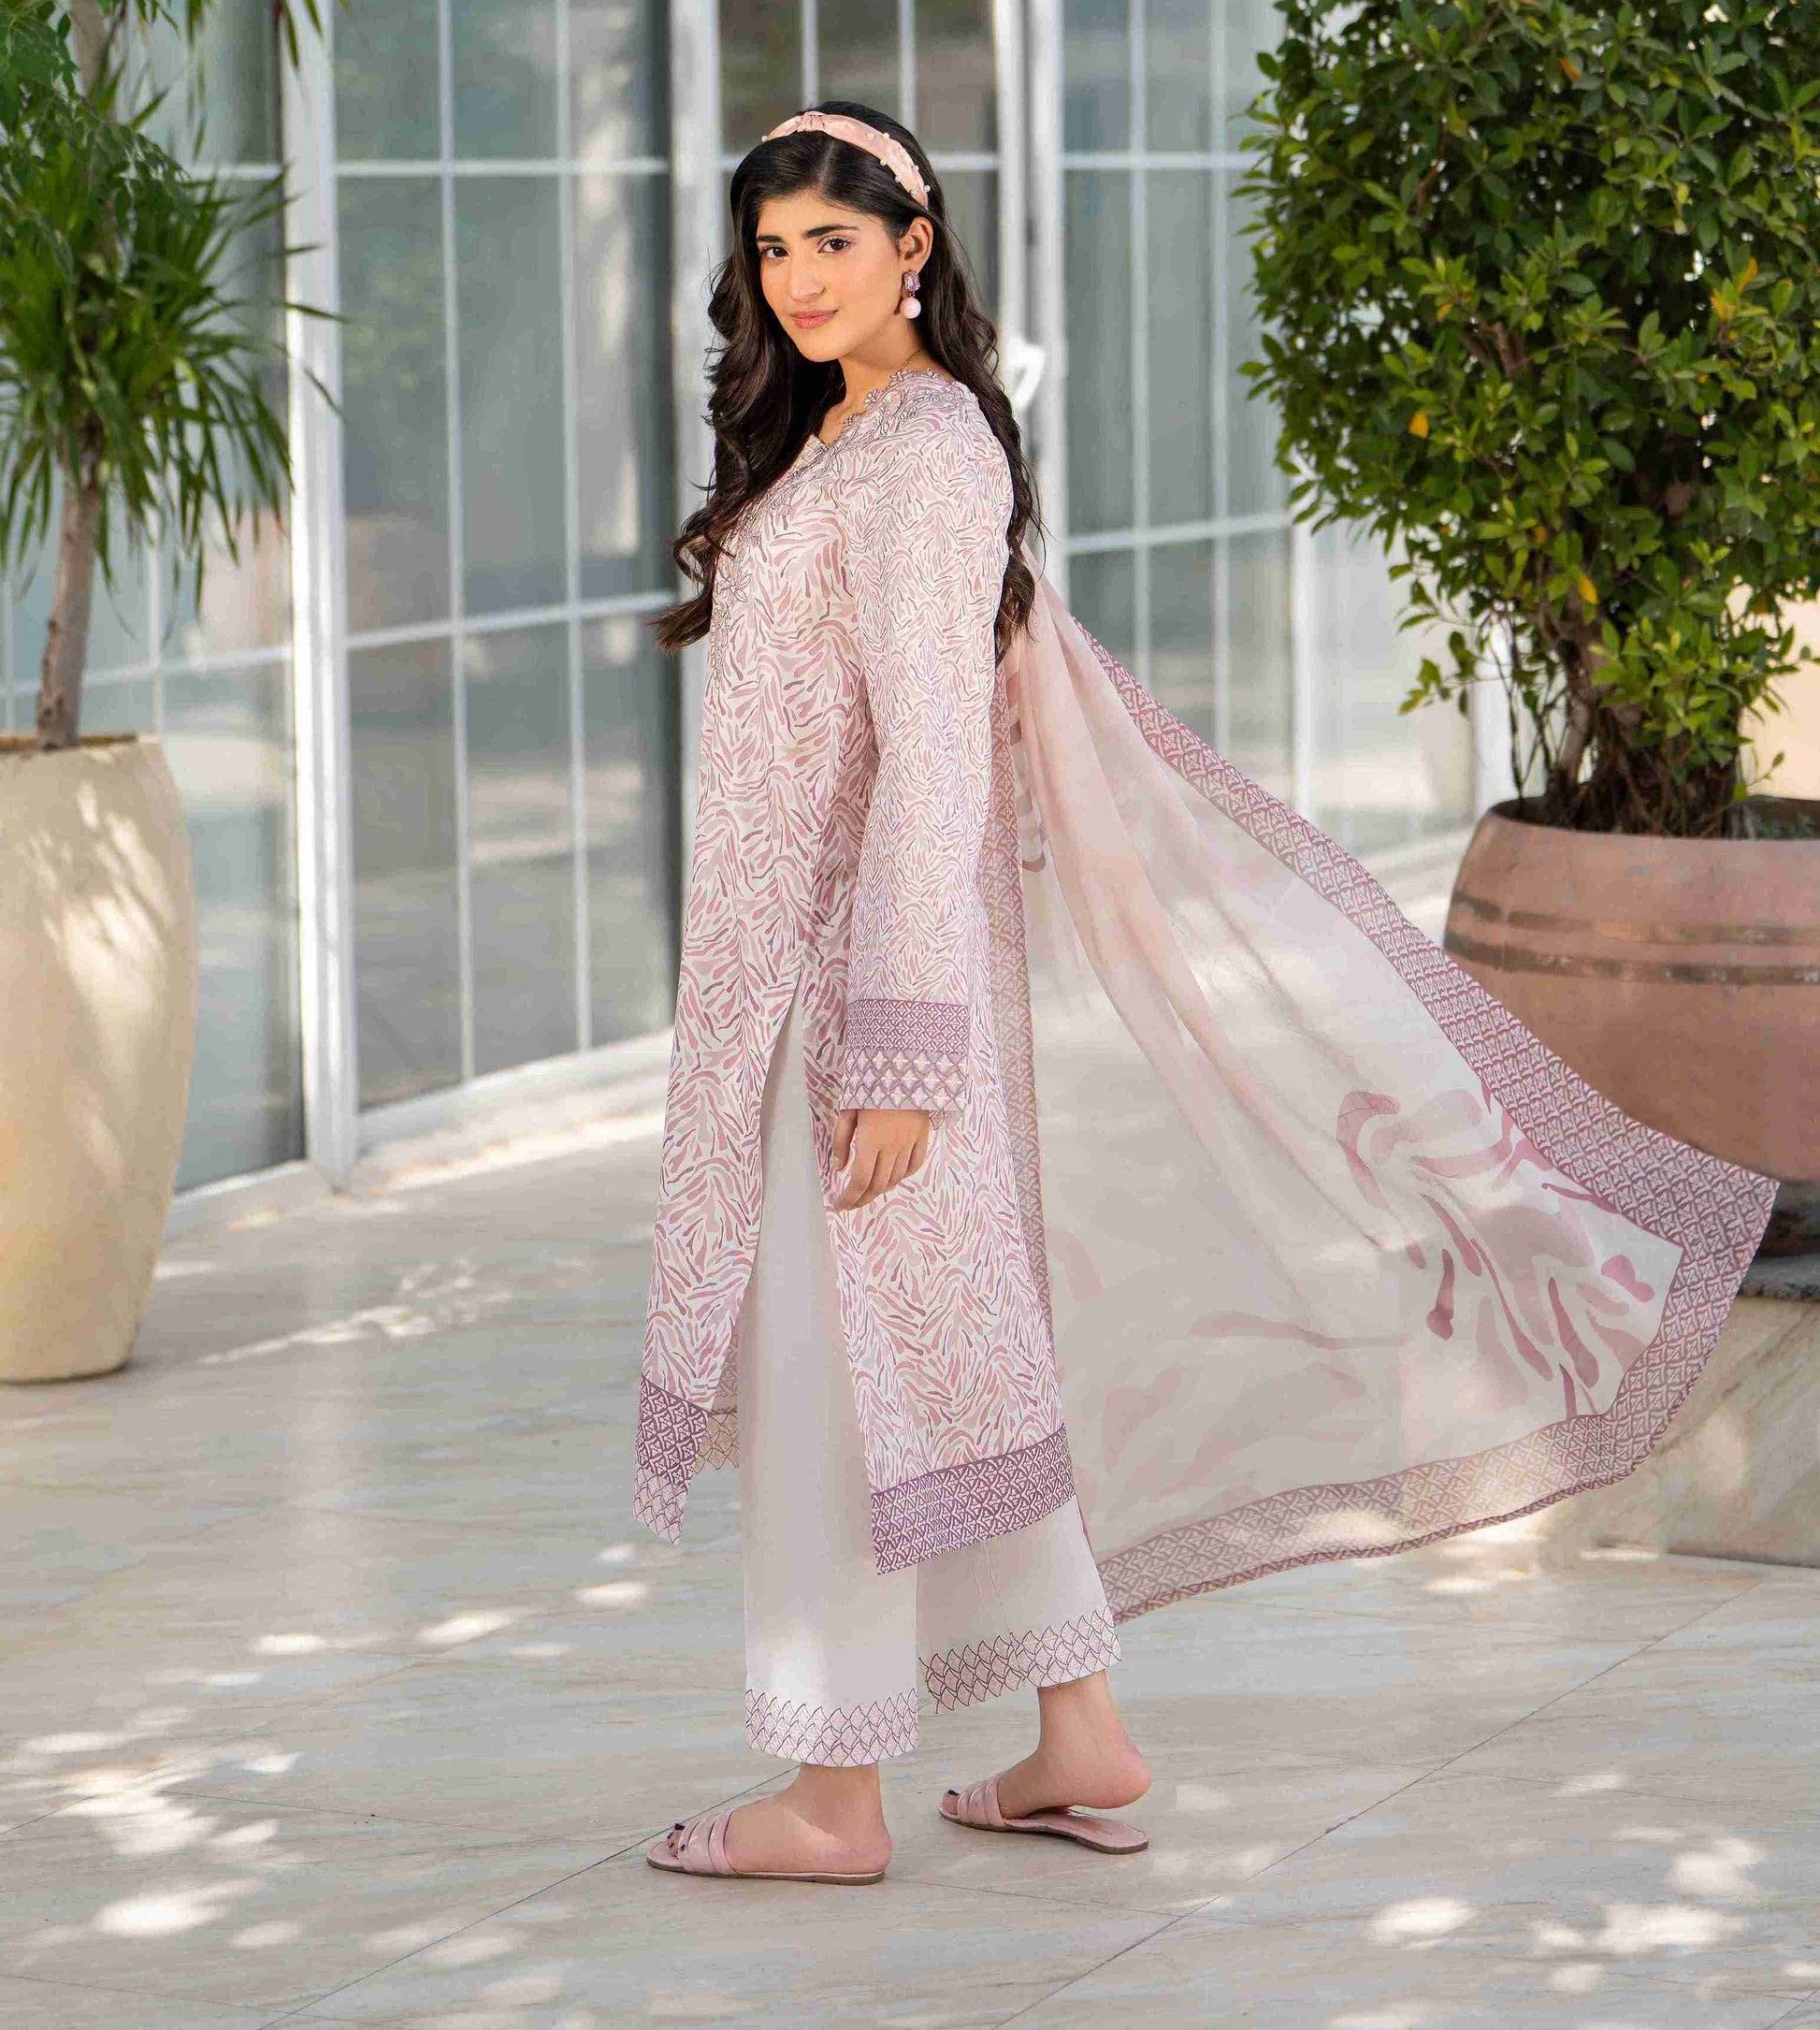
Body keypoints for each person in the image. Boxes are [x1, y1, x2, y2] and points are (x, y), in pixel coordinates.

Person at [640, 102, 1771, 1886]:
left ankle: (829, 1799)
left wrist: (902, 1046)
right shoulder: (848, 440)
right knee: (945, 1368)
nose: (794, 280)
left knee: (843, 1383)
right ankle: (1076, 1733)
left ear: (915, 247)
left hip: (861, 993)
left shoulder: (923, 453)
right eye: (770, 249)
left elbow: (937, 761)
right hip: (806, 983)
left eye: (831, 243)